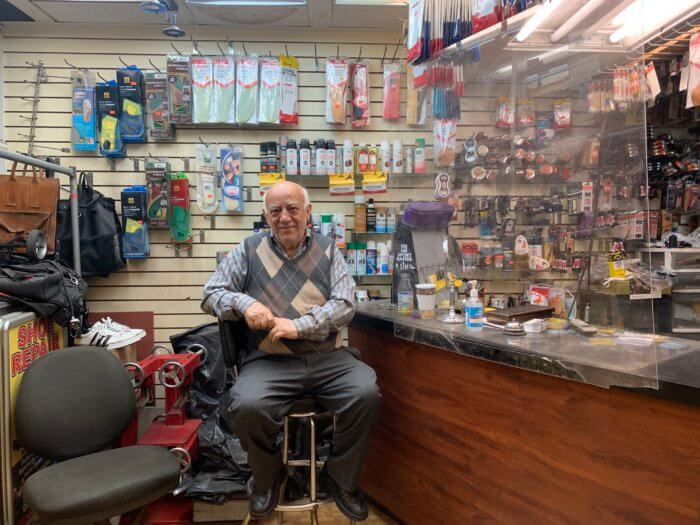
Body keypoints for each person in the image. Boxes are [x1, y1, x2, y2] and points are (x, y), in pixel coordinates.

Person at [201, 181, 381, 521]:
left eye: (293, 209)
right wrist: (244, 302)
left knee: (366, 393)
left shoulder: (329, 250)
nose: (285, 217)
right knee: (247, 405)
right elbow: (211, 294)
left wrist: (300, 326)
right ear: (265, 215)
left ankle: (340, 477)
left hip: (328, 358)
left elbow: (345, 304)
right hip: (269, 360)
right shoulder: (248, 249)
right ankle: (269, 478)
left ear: (308, 212)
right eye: (276, 210)